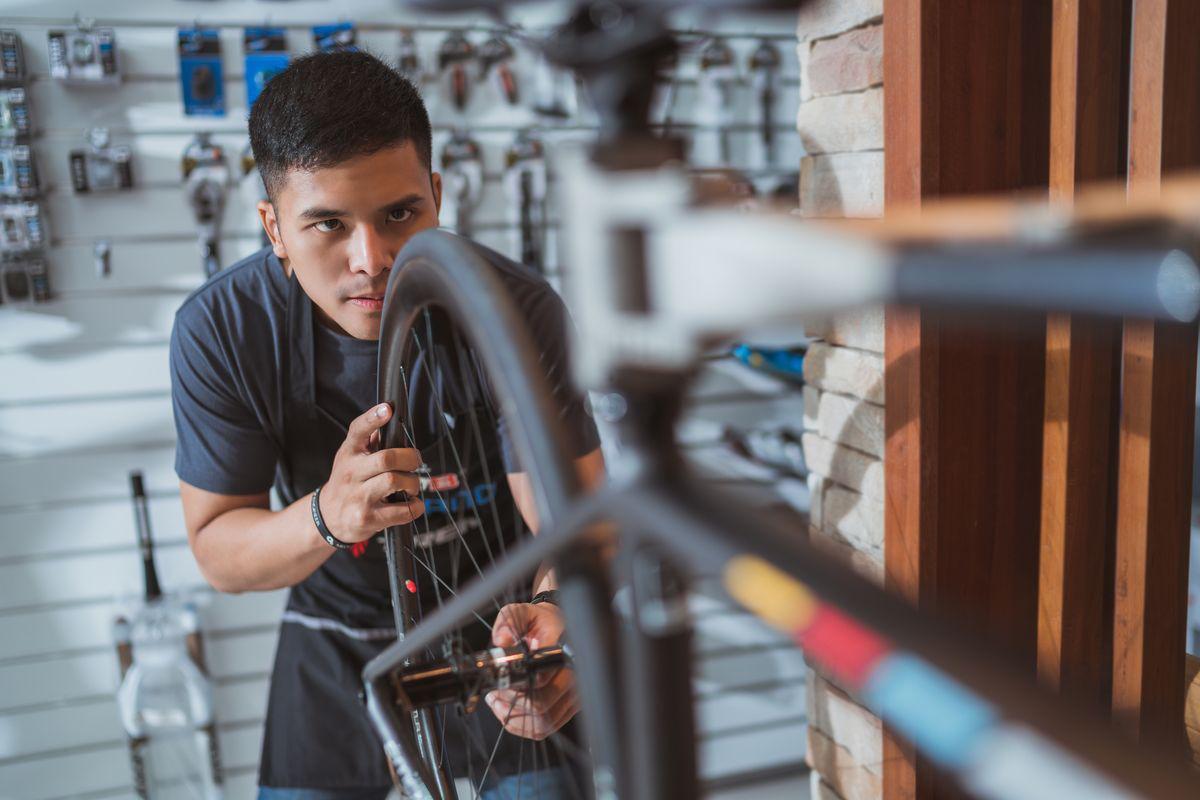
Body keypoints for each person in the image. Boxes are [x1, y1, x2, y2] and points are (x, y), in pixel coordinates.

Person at [169, 50, 604, 799]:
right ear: (273, 227)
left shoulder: (517, 310)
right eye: (327, 225)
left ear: (437, 194)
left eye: (399, 213)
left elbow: (580, 522)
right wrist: (328, 515)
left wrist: (562, 615)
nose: (370, 260)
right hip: (334, 628)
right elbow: (219, 552)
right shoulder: (222, 330)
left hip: (502, 621)